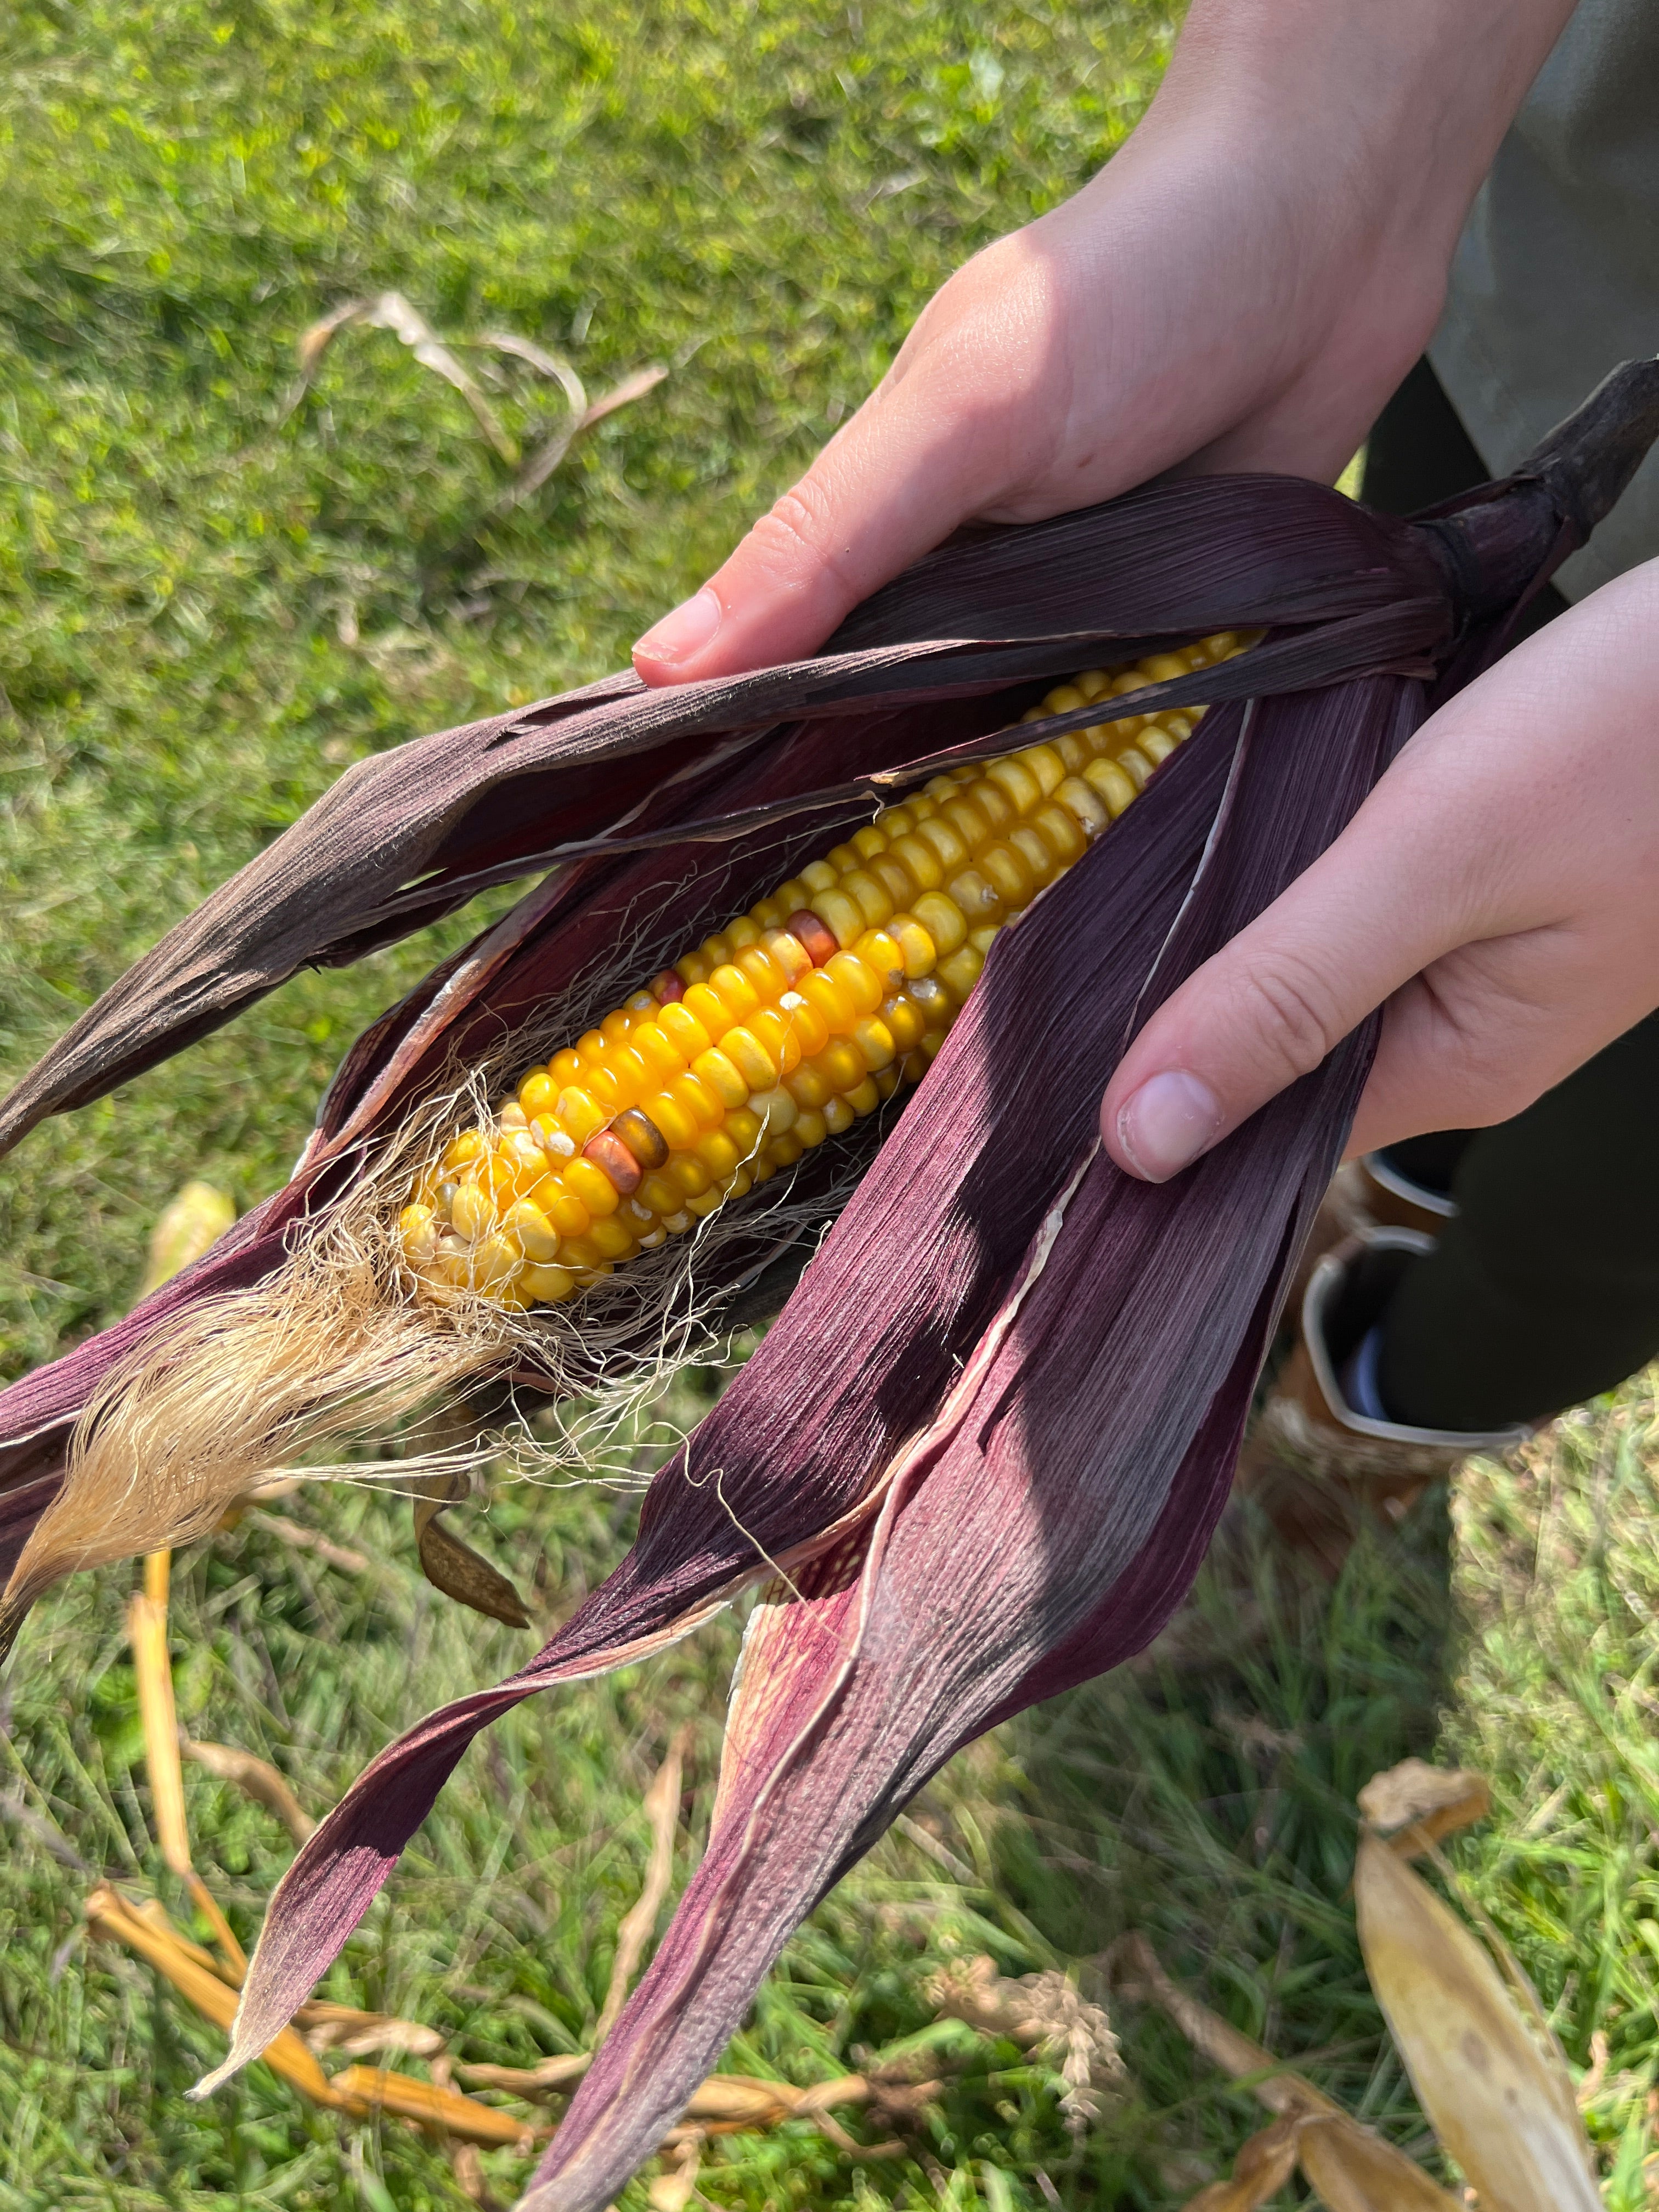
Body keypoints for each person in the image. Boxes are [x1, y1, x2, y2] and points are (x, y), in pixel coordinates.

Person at [628, 0, 1659, 1519]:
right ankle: (1395, 1189)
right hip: (1589, 257)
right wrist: (1319, 122)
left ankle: (1389, 1421)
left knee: (1603, 1200)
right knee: (1418, 865)